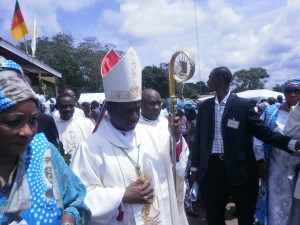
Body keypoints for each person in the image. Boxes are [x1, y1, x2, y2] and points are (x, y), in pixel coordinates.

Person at [71, 47, 185, 225]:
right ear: (109, 109)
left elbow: (170, 167)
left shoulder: (149, 134)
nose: (134, 117)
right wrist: (121, 195)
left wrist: (175, 139)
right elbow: (79, 196)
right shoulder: (90, 148)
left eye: (136, 109)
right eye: (127, 111)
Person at [190, 67, 300, 225]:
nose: (207, 81)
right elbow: (199, 139)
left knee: (245, 216)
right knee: (214, 217)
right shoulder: (204, 107)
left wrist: (292, 143)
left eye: (210, 77)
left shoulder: (242, 105)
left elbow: (264, 133)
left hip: (240, 170)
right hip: (212, 171)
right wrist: (194, 168)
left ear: (220, 79)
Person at [0, 59, 90, 225]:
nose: (27, 132)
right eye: (13, 122)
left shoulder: (44, 151)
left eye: (33, 120)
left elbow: (75, 201)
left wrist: (69, 219)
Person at [139, 88, 190, 224]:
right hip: (151, 184)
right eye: (151, 103)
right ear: (141, 104)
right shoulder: (134, 127)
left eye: (158, 103)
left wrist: (177, 137)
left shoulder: (165, 122)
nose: (156, 107)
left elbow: (178, 153)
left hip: (169, 181)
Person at [254, 79, 300, 225]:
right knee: (277, 208)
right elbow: (259, 137)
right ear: (283, 93)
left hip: (298, 171)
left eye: (297, 91)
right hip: (277, 169)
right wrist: (260, 161)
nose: (293, 94)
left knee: (297, 208)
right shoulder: (271, 112)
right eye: (289, 91)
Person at [54, 93, 95, 164]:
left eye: (71, 106)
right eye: (64, 106)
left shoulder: (86, 123)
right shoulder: (53, 125)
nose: (68, 109)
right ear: (58, 107)